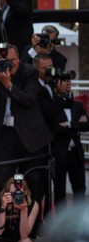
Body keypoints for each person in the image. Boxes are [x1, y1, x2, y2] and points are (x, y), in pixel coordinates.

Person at [0, 43, 52, 242]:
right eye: (5, 61)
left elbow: (29, 100)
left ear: (19, 59)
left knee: (33, 185)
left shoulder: (29, 72)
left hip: (31, 138)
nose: (9, 65)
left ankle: (26, 240)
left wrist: (9, 84)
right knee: (2, 187)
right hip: (6, 136)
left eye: (12, 60)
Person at [51, 79, 89, 210]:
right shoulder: (53, 106)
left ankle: (78, 223)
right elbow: (54, 128)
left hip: (76, 154)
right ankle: (61, 225)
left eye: (69, 83)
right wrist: (76, 128)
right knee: (59, 190)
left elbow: (86, 125)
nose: (67, 85)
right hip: (59, 154)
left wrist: (70, 125)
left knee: (80, 189)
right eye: (64, 82)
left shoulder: (78, 106)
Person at [0, 175, 39, 242]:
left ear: (25, 192)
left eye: (19, 193)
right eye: (13, 194)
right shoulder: (3, 202)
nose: (17, 197)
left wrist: (24, 210)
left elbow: (24, 235)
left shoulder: (32, 205)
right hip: (4, 240)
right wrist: (3, 207)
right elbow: (0, 232)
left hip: (20, 239)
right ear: (7, 193)